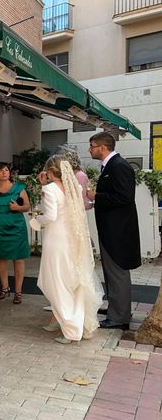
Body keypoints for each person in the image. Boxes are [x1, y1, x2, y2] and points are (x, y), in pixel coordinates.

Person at [31, 156, 103, 344]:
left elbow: (50, 216)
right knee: (72, 280)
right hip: (72, 239)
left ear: (50, 172)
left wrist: (36, 220)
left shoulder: (50, 189)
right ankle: (59, 319)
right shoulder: (75, 188)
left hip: (56, 240)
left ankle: (71, 330)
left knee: (56, 282)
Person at [87, 132, 141, 329]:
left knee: (117, 272)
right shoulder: (111, 166)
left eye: (92, 146)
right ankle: (116, 309)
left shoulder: (119, 166)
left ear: (102, 147)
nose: (89, 149)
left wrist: (96, 195)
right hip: (111, 229)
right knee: (111, 273)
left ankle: (119, 318)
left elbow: (125, 197)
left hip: (118, 232)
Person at [0, 162, 31, 304]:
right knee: (1, 257)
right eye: (1, 170)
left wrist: (17, 207)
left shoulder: (19, 188)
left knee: (18, 258)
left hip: (16, 225)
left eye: (6, 170)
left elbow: (27, 206)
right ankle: (4, 288)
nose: (4, 172)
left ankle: (18, 292)